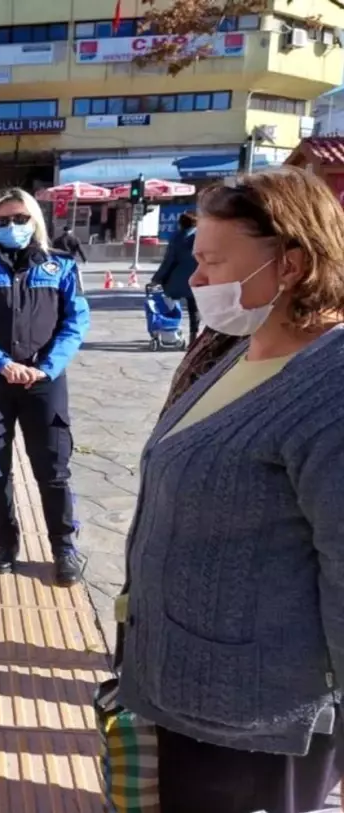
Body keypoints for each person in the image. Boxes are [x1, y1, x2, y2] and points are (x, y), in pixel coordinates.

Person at [119, 167, 344, 813]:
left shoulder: (331, 386)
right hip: (190, 686)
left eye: (214, 261)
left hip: (261, 716)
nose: (195, 280)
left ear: (293, 264)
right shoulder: (230, 351)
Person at [0, 187, 90, 585]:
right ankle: (5, 543)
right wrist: (1, 363)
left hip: (44, 382)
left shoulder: (60, 266)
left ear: (35, 221)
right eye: (2, 220)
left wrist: (46, 367)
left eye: (20, 218)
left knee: (53, 469)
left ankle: (63, 547)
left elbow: (76, 322)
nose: (12, 226)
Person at [152, 211, 199, 344]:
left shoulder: (177, 237)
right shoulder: (202, 236)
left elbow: (169, 261)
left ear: (180, 223)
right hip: (198, 278)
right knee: (194, 308)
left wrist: (157, 278)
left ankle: (170, 330)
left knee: (168, 303)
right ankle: (193, 335)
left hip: (177, 280)